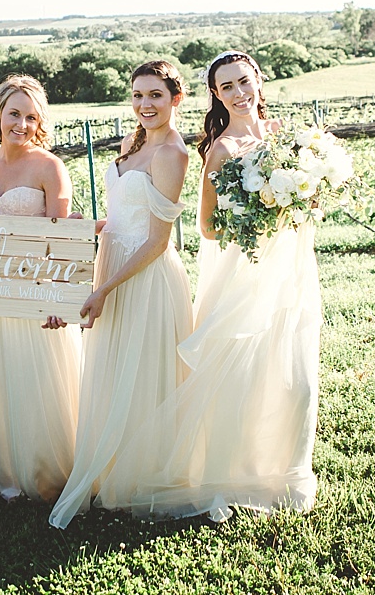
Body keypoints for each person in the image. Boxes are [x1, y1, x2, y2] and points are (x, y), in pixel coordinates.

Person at [98, 50, 321, 522]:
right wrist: (262, 211)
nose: (239, 94)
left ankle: (282, 473)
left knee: (294, 376)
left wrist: (301, 201)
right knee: (239, 375)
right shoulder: (219, 149)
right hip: (241, 273)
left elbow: (312, 199)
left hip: (291, 268)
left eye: (244, 82)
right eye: (227, 88)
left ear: (259, 81)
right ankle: (230, 474)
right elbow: (207, 227)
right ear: (216, 96)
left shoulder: (289, 140)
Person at [48, 60, 193, 529]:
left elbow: (156, 241)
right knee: (114, 368)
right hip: (113, 264)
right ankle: (109, 468)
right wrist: (84, 231)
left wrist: (104, 288)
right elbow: (120, 217)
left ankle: (140, 475)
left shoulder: (172, 153)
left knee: (143, 371)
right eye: (137, 95)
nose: (145, 104)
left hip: (144, 277)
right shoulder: (136, 142)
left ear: (176, 98)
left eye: (155, 95)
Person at [0, 75, 82, 503]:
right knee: (5, 379)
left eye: (31, 116)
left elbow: (63, 242)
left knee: (42, 382)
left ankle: (52, 473)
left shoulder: (50, 167)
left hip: (40, 296)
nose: (21, 123)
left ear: (40, 122)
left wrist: (59, 300)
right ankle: (12, 471)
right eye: (14, 113)